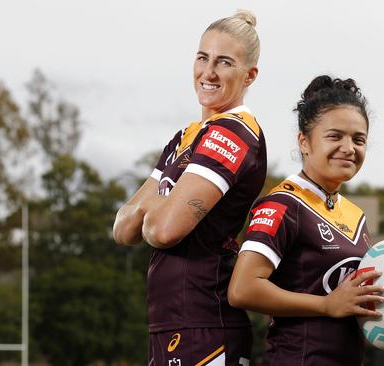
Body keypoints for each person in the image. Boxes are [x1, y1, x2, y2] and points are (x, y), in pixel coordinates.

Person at [228, 75, 384, 365]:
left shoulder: (354, 215)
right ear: (304, 142)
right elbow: (242, 289)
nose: (349, 148)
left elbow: (346, 307)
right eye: (335, 136)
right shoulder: (282, 204)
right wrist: (326, 304)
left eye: (358, 139)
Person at [112, 10, 265, 366]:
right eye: (202, 57)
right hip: (170, 323)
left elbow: (163, 230)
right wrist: (157, 210)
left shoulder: (233, 132)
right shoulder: (186, 137)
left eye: (224, 62)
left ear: (249, 75)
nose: (208, 72)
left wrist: (153, 208)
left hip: (204, 322)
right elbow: (123, 228)